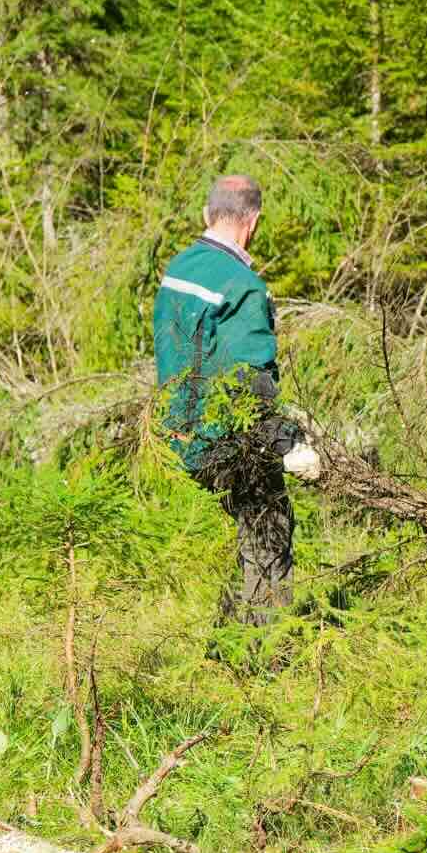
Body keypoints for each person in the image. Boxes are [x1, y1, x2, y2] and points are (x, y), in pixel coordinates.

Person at [152, 175, 318, 625]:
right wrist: (289, 443)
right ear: (254, 221)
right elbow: (248, 383)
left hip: (179, 433)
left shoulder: (179, 268)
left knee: (236, 536)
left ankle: (221, 647)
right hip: (226, 438)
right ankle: (258, 658)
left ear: (207, 214)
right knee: (268, 530)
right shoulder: (242, 285)